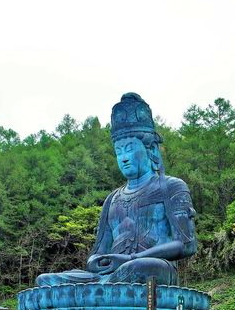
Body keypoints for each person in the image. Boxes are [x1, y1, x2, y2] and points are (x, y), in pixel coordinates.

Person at [35, 93, 197, 287]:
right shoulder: (112, 199)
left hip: (153, 268)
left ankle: (103, 288)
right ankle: (102, 287)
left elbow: (187, 244)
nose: (124, 158)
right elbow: (99, 252)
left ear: (152, 149)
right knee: (46, 280)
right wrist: (96, 261)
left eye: (129, 149)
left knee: (140, 267)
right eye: (118, 152)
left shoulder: (171, 187)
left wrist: (130, 258)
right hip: (111, 274)